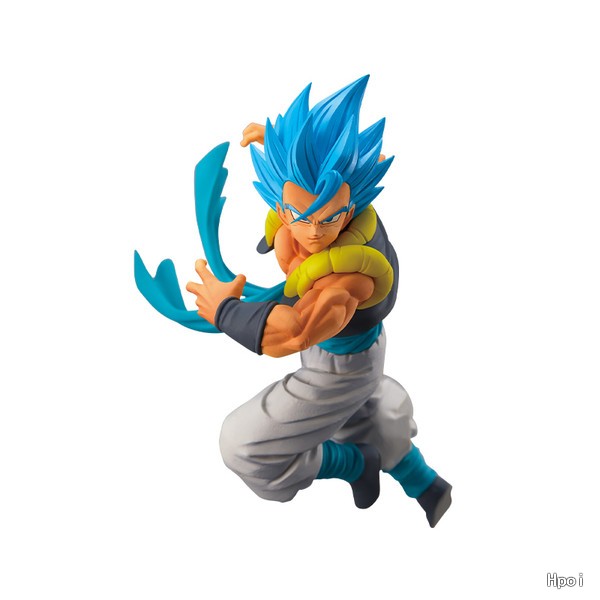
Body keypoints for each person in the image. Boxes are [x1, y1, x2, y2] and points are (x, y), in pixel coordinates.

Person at [182, 76, 452, 527]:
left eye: (327, 219)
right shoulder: (331, 191)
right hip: (355, 353)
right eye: (297, 215)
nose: (311, 231)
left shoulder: (347, 278)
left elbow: (295, 332)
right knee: (361, 413)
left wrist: (224, 311)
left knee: (243, 446)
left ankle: (354, 464)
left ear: (348, 207)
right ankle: (424, 483)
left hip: (339, 361)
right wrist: (280, 144)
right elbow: (336, 163)